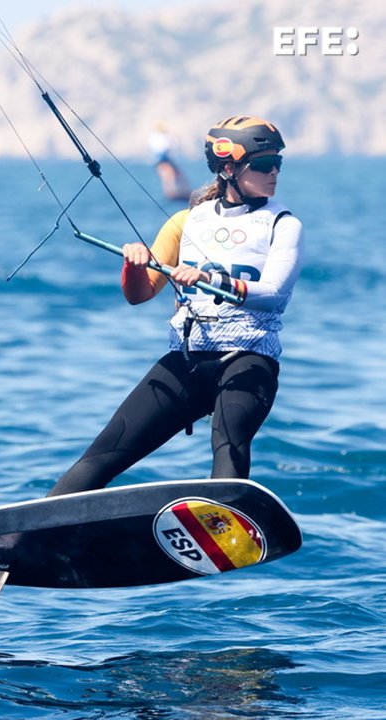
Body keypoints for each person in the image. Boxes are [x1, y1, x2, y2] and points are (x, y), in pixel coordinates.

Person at [48, 115, 304, 497]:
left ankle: (223, 531)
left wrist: (210, 279)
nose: (275, 173)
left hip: (248, 359)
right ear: (228, 168)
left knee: (229, 446)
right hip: (186, 360)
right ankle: (24, 538)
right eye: (265, 165)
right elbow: (139, 294)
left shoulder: (283, 224)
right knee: (101, 456)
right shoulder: (186, 221)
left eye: (278, 164)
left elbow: (275, 295)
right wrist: (132, 265)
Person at [147, 122, 191, 201]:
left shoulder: (164, 137)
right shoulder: (155, 137)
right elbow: (162, 148)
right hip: (161, 160)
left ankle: (183, 192)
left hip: (167, 159)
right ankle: (171, 193)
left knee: (178, 174)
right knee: (168, 175)